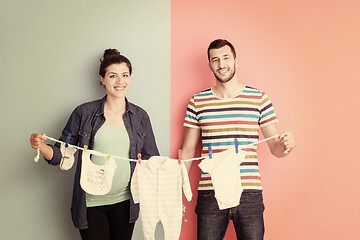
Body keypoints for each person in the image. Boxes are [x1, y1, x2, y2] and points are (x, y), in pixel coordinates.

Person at [29, 49, 159, 240]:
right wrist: (40, 146)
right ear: (102, 79)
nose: (120, 81)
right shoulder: (84, 113)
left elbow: (151, 159)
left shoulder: (140, 117)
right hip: (90, 204)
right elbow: (62, 155)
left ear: (130, 78)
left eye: (125, 75)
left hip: (126, 203)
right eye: (113, 76)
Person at [180, 39, 296, 240]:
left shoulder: (259, 98)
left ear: (236, 61)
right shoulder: (197, 102)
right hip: (210, 193)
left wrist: (287, 145)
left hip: (248, 192)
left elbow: (275, 148)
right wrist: (176, 189)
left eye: (226, 58)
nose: (221, 64)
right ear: (209, 65)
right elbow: (188, 151)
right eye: (215, 60)